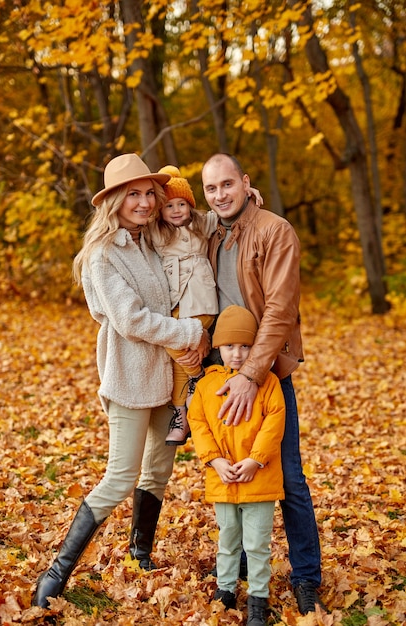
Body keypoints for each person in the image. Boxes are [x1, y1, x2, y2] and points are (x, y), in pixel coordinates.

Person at [32, 153, 210, 609]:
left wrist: (246, 201)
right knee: (119, 477)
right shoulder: (102, 254)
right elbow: (131, 320)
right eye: (133, 193)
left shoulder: (153, 240)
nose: (145, 202)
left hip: (167, 376)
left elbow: (198, 227)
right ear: (112, 200)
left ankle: (140, 554)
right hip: (130, 376)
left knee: (158, 471)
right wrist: (191, 333)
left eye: (150, 192)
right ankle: (56, 575)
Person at [201, 153, 325, 615]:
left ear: (244, 182)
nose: (220, 195)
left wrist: (253, 375)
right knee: (230, 471)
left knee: (287, 476)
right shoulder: (209, 231)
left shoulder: (275, 231)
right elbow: (167, 214)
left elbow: (280, 310)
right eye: (211, 189)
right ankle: (234, 568)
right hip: (222, 373)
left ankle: (307, 576)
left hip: (266, 374)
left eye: (228, 185)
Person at [188, 305, 286, 626]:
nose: (238, 354)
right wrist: (214, 460)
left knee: (256, 543)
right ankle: (225, 589)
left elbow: (274, 422)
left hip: (258, 477)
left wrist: (256, 459)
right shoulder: (205, 386)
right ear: (218, 347)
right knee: (228, 538)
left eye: (246, 346)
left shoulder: (268, 383)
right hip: (223, 477)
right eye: (230, 346)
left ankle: (258, 596)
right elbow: (198, 424)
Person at [147, 166, 219, 446]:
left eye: (182, 204)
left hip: (201, 303)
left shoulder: (203, 224)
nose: (176, 210)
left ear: (190, 205)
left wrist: (249, 193)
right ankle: (182, 414)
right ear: (161, 211)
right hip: (175, 305)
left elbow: (227, 211)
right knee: (175, 356)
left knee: (173, 345)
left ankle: (197, 376)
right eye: (169, 206)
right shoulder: (157, 232)